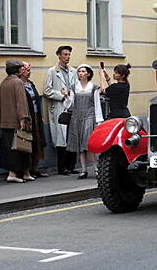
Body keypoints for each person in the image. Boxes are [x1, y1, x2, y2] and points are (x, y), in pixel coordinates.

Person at [64, 64, 104, 179]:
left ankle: (96, 168)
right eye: (79, 71)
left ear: (89, 73)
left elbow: (97, 104)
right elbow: (70, 105)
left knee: (88, 145)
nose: (80, 73)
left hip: (89, 117)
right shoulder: (73, 87)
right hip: (76, 118)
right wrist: (66, 96)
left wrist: (99, 121)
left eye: (83, 71)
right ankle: (83, 169)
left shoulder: (93, 87)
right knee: (79, 145)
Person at [44, 46, 78, 175]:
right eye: (65, 54)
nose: (67, 57)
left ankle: (71, 166)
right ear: (58, 55)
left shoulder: (73, 71)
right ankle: (61, 167)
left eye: (69, 54)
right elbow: (47, 91)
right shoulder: (52, 71)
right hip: (59, 107)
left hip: (71, 107)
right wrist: (61, 95)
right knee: (61, 138)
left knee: (72, 136)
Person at [0, 59, 33, 183]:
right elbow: (21, 102)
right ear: (17, 69)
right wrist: (23, 118)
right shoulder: (17, 82)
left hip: (5, 121)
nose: (22, 69)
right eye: (20, 68)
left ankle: (24, 172)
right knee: (21, 147)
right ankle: (15, 173)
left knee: (10, 148)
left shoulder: (4, 82)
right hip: (16, 121)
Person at [21, 62, 49, 178]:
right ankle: (27, 170)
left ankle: (34, 168)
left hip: (36, 116)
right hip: (28, 117)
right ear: (22, 72)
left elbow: (37, 99)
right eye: (27, 71)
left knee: (39, 143)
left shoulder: (30, 84)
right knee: (29, 144)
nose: (29, 73)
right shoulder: (19, 85)